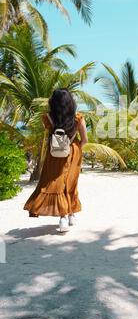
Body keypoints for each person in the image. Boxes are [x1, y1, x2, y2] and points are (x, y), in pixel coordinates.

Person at [24, 89, 88, 233]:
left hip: (54, 154)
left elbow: (51, 135)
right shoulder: (78, 118)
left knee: (56, 183)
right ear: (70, 102)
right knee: (70, 183)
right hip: (73, 153)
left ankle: (66, 215)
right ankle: (67, 216)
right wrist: (74, 150)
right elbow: (84, 140)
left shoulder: (47, 118)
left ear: (54, 102)